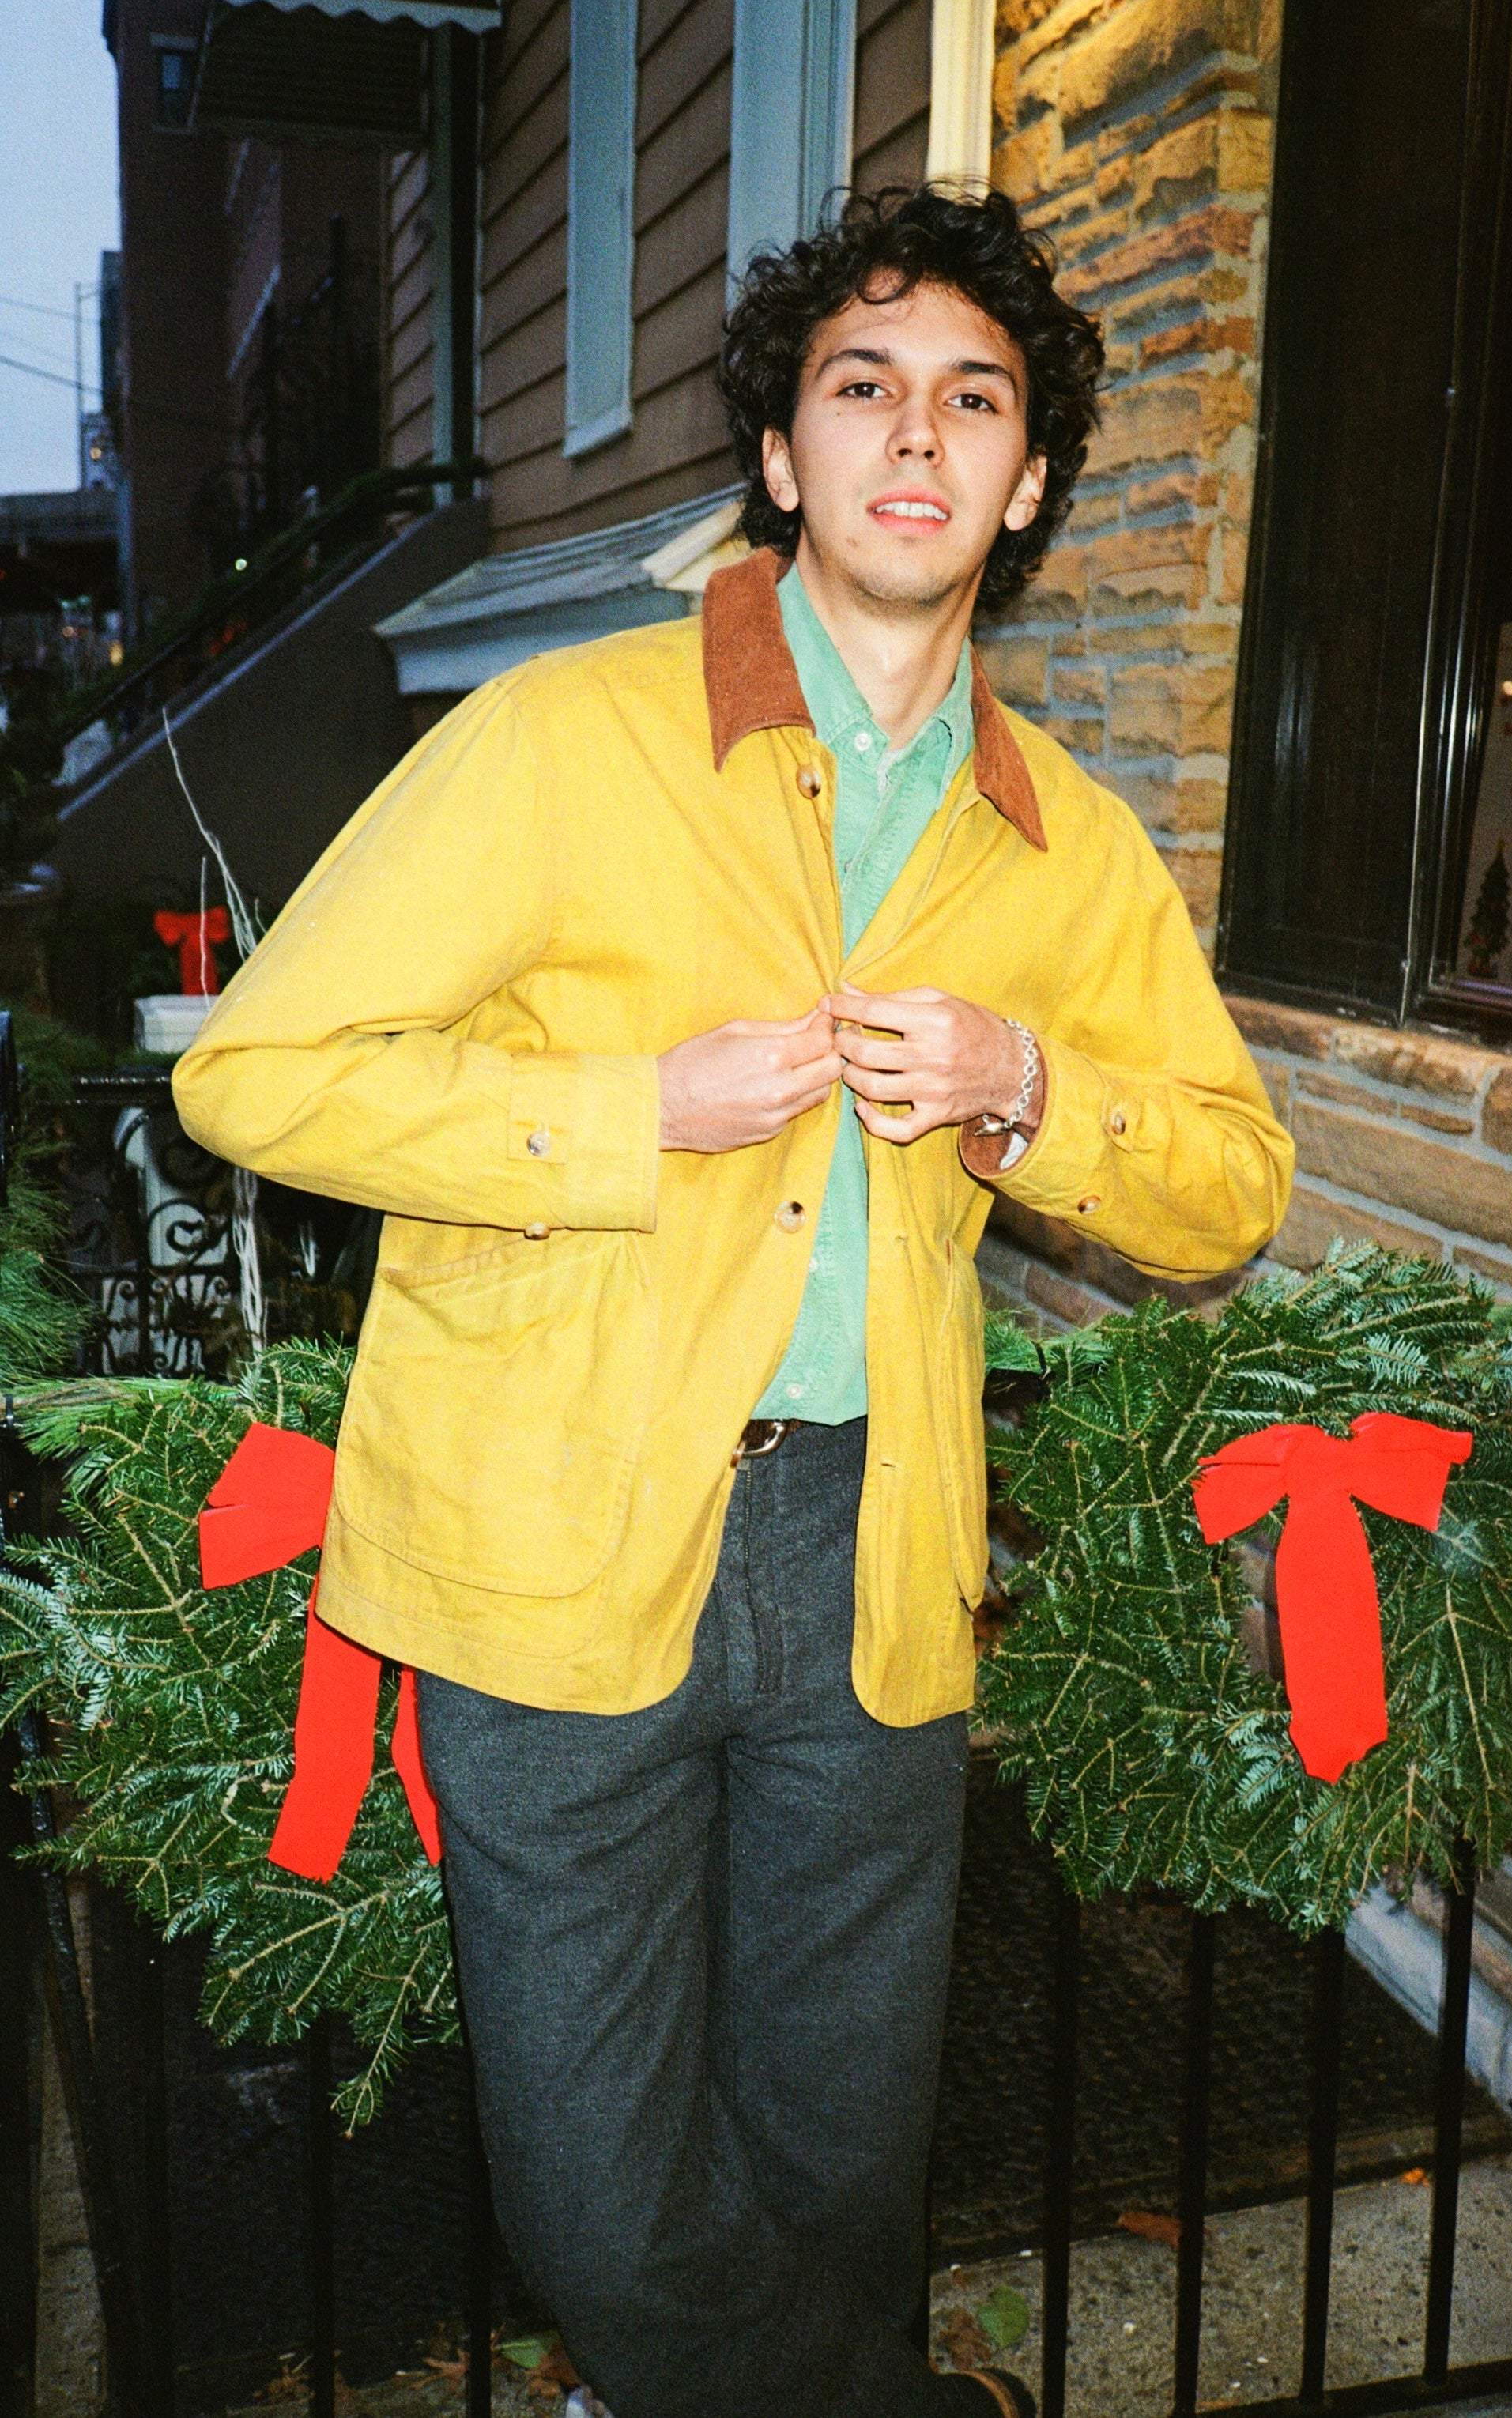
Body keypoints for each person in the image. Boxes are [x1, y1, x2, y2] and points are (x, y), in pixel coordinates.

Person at [175, 184, 1293, 2418]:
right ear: (783, 454)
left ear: (1028, 481)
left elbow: (1230, 1185)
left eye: (975, 400)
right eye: (862, 386)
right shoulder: (561, 738)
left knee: (838, 2166)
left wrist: (1028, 1085)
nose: (918, 433)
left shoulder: (1064, 841)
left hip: (873, 1548)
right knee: (603, 2192)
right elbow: (255, 1069)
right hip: (553, 1533)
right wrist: (628, 1112)